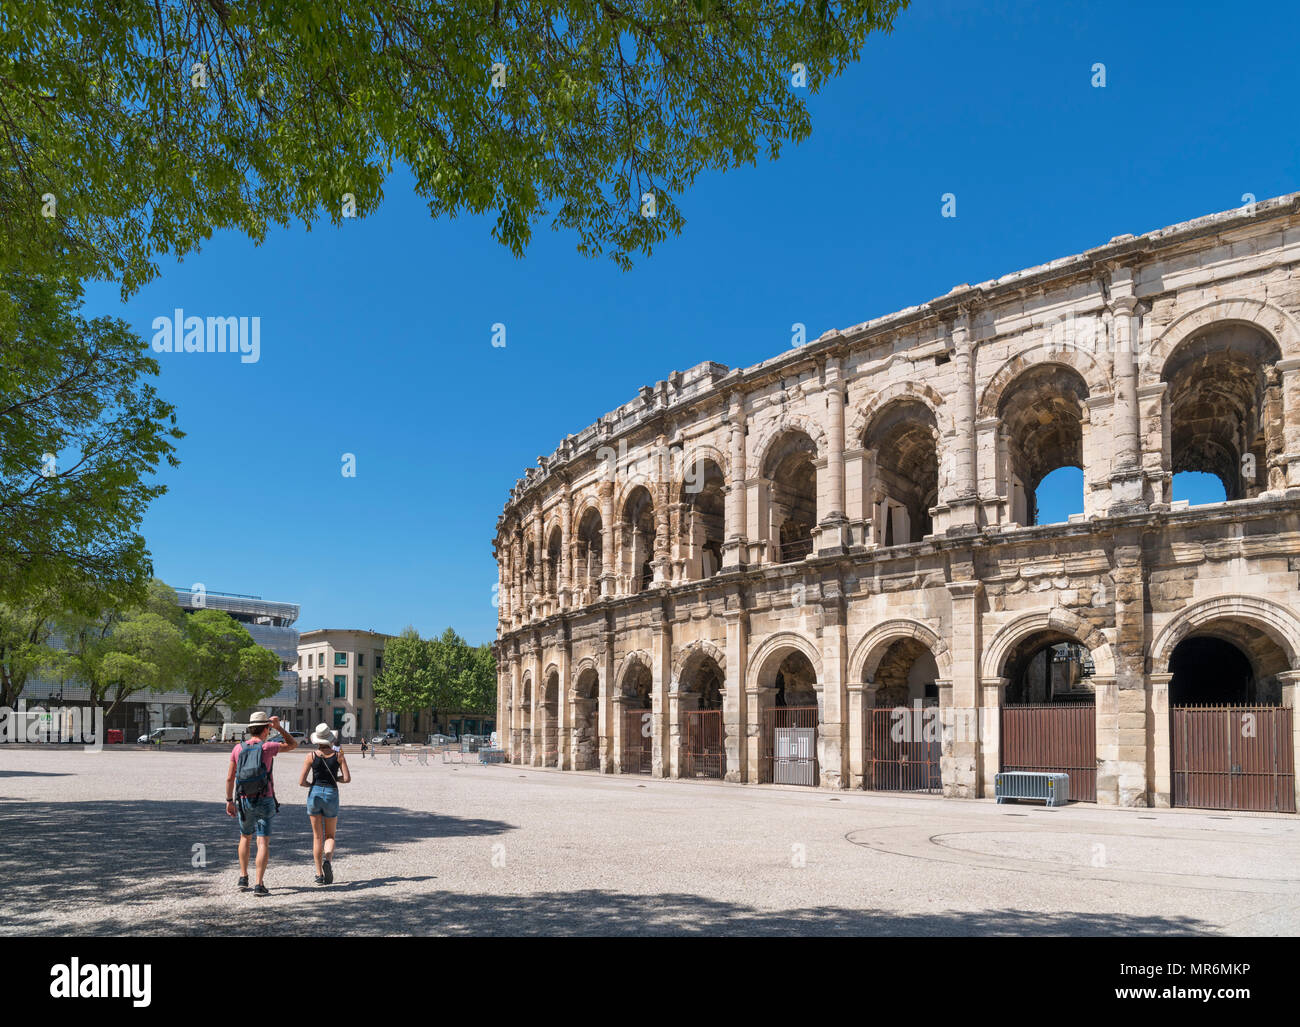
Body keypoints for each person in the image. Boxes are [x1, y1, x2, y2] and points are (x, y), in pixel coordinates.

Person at [225, 711, 297, 895]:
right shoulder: (268, 747)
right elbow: (293, 744)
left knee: (244, 837)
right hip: (264, 798)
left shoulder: (238, 748)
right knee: (262, 841)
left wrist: (229, 801)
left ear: (250, 729)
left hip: (243, 799)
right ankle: (259, 883)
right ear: (266, 729)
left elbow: (229, 778)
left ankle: (243, 876)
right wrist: (279, 727)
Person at [299, 722, 351, 885]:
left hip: (315, 793)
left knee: (317, 836)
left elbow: (301, 781)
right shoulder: (339, 755)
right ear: (330, 739)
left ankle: (319, 873)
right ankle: (327, 860)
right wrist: (335, 779)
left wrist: (312, 786)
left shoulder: (311, 756)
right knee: (330, 835)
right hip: (331, 793)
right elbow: (347, 778)